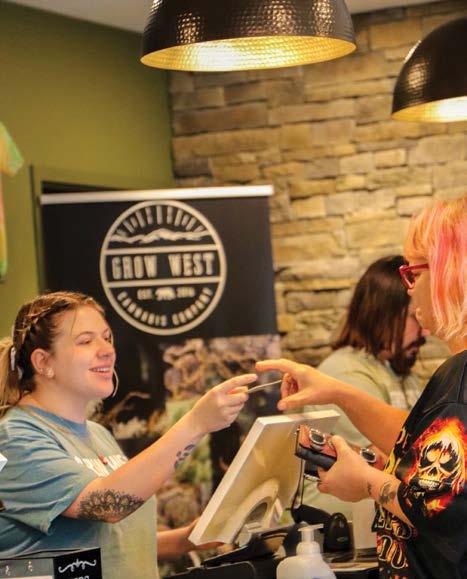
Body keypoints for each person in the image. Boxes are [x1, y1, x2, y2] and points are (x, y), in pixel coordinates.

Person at [258, 197, 466, 579]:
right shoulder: (453, 374)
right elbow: (427, 458)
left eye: (414, 273)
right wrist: (338, 393)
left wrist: (367, 481)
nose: (409, 290)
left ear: (447, 273)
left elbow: (441, 509)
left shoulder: (460, 376)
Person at [0, 291, 255, 578]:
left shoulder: (97, 433)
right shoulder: (13, 438)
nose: (107, 350)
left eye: (107, 338)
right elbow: (107, 504)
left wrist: (185, 540)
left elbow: (111, 542)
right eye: (86, 341)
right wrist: (196, 423)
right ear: (43, 362)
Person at [304, 255, 427, 518]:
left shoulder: (401, 374)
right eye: (414, 317)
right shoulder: (345, 372)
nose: (425, 331)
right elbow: (393, 463)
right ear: (382, 315)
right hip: (337, 533)